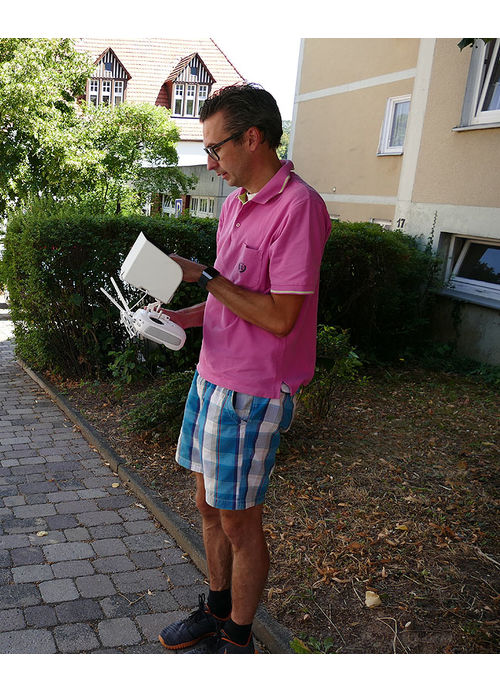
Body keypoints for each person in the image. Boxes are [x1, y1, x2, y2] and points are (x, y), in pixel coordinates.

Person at [156, 83, 331, 653]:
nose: (211, 161)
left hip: (253, 392)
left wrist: (203, 276)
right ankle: (215, 607)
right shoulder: (233, 206)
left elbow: (280, 317)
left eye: (216, 148)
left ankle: (239, 635)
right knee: (208, 506)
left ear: (252, 138)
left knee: (239, 521)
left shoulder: (300, 209)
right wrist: (180, 317)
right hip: (211, 378)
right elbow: (230, 298)